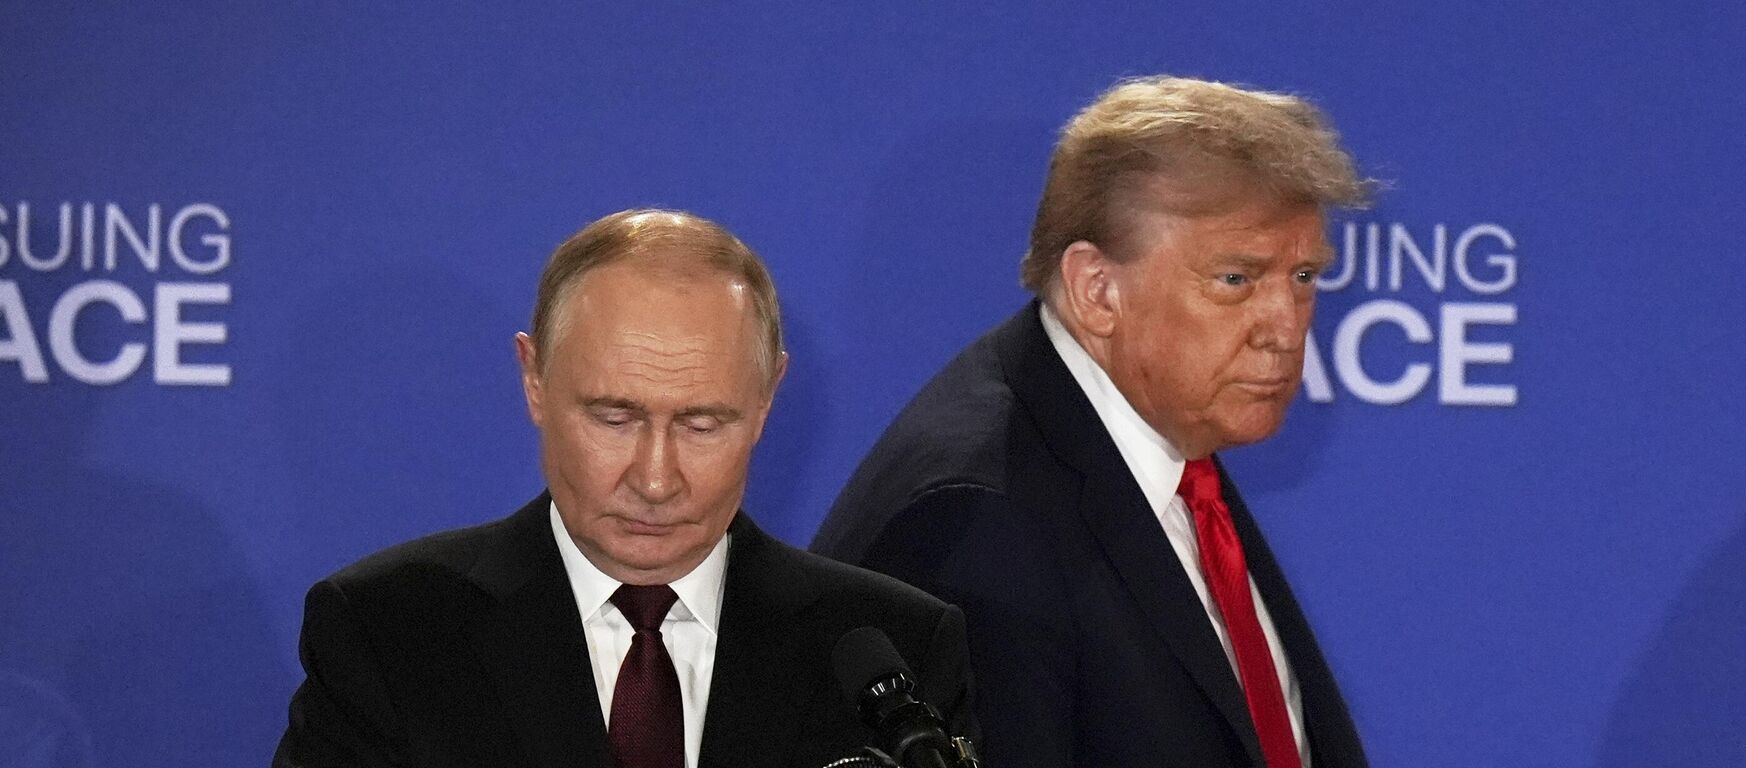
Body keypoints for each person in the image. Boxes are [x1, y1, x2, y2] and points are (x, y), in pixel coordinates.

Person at [275, 210, 973, 768]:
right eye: (615, 417)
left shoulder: (898, 652)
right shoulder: (389, 634)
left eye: (703, 423)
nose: (655, 478)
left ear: (766, 400)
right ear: (535, 381)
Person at [813, 76, 1372, 768]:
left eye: (1304, 278)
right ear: (1096, 291)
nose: (1286, 330)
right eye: (1237, 280)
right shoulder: (979, 524)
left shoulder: (1161, 435)